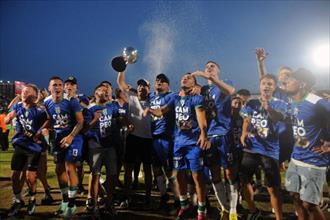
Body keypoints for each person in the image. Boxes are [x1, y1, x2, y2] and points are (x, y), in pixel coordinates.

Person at [145, 72, 210, 220]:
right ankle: (184, 206)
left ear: (194, 84)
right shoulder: (175, 98)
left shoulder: (196, 98)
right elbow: (161, 112)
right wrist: (149, 110)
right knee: (179, 175)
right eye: (183, 77)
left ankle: (201, 211)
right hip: (178, 143)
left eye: (189, 77)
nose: (185, 78)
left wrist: (203, 134)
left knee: (197, 177)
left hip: (193, 143)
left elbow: (202, 119)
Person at [192, 61, 238, 220]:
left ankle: (233, 210)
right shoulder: (203, 90)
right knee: (214, 174)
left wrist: (211, 78)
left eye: (212, 66)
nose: (209, 67)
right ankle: (225, 209)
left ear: (219, 70)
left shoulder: (225, 83)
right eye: (207, 66)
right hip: (209, 136)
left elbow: (231, 91)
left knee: (230, 173)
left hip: (224, 134)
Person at [284, 68, 330, 220]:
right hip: (296, 158)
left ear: (302, 84)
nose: (287, 82)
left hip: (314, 160)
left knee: (309, 204)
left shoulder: (318, 102)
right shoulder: (292, 102)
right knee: (294, 196)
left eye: (290, 80)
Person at [240, 74, 287, 220]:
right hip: (251, 148)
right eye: (264, 83)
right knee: (243, 180)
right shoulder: (251, 102)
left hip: (269, 151)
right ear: (260, 86)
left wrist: (268, 107)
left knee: (273, 188)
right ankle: (254, 211)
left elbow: (277, 118)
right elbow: (247, 119)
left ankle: (279, 216)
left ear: (274, 87)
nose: (266, 86)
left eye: (270, 84)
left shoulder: (280, 103)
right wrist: (244, 132)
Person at [44, 76, 84, 218]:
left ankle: (72, 204)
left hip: (74, 138)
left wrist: (71, 136)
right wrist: (44, 129)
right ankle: (65, 201)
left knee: (69, 167)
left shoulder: (72, 101)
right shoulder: (46, 101)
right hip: (58, 138)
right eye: (54, 85)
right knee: (58, 169)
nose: (58, 87)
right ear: (49, 88)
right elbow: (50, 119)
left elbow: (80, 122)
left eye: (60, 85)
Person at [5, 84, 48, 216]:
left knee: (31, 176)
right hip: (20, 144)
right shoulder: (17, 107)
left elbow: (48, 121)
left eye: (27, 92)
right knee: (15, 176)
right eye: (23, 91)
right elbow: (7, 119)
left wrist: (41, 131)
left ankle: (32, 199)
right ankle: (18, 200)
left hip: (34, 147)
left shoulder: (40, 110)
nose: (24, 93)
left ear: (35, 96)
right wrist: (9, 117)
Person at [85, 84, 123, 216]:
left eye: (108, 91)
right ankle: (94, 205)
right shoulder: (90, 109)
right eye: (103, 90)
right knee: (96, 175)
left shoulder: (112, 106)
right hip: (96, 146)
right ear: (96, 92)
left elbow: (120, 117)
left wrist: (127, 123)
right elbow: (85, 129)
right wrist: (95, 119)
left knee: (112, 175)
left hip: (110, 146)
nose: (107, 92)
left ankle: (109, 203)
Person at [117, 71, 153, 208]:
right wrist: (122, 68)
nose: (141, 87)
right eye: (139, 85)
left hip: (147, 139)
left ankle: (148, 197)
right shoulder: (131, 97)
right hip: (132, 138)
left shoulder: (153, 100)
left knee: (147, 169)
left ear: (149, 89)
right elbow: (120, 82)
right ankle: (127, 196)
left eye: (144, 86)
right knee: (128, 168)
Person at [148, 73, 178, 209]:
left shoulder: (172, 96)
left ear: (168, 85)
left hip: (167, 138)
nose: (159, 82)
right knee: (156, 169)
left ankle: (178, 198)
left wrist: (148, 110)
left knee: (170, 170)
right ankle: (163, 196)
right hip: (154, 137)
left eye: (163, 81)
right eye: (157, 80)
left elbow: (160, 112)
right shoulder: (152, 96)